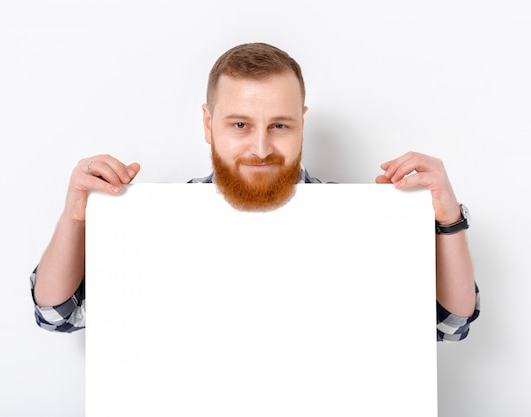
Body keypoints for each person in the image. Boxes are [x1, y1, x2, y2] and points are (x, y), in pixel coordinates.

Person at [30, 42, 480, 342]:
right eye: (240, 124)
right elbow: (57, 315)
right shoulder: (155, 220)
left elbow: (451, 325)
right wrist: (75, 214)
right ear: (208, 124)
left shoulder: (358, 220)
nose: (261, 148)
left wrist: (447, 219)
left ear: (302, 122)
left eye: (280, 125)